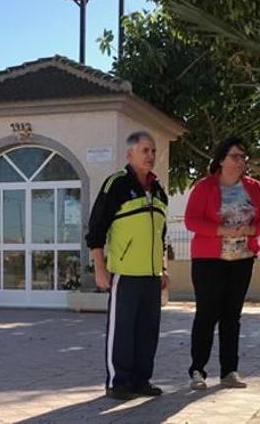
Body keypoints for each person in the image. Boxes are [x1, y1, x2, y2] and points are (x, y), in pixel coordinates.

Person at [86, 131, 170, 400]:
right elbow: (97, 227)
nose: (151, 156)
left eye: (153, 151)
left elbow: (161, 235)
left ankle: (141, 380)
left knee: (148, 331)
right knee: (122, 330)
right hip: (125, 273)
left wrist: (163, 270)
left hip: (151, 275)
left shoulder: (158, 191)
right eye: (145, 150)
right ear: (130, 154)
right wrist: (100, 267)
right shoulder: (117, 184)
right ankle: (118, 382)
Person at [184, 136, 260, 390]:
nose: (240, 161)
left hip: (242, 260)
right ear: (221, 159)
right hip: (209, 261)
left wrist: (252, 228)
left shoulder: (253, 188)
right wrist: (221, 230)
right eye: (235, 156)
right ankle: (197, 370)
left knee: (231, 316)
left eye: (243, 157)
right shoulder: (204, 187)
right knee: (206, 314)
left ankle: (229, 371)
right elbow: (192, 221)